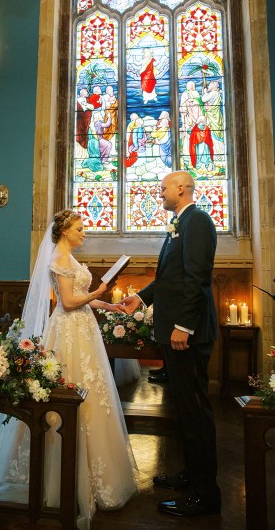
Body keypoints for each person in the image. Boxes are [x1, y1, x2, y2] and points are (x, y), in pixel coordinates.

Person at [0, 209, 138, 529]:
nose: (84, 232)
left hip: (84, 331)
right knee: (66, 392)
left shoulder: (71, 258)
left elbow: (83, 299)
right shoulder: (58, 258)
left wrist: (108, 304)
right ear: (64, 231)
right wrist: (99, 292)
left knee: (95, 396)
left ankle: (98, 471)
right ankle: (57, 471)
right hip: (68, 332)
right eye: (80, 228)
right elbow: (69, 302)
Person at [120, 171, 221, 517]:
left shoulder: (198, 221)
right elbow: (170, 277)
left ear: (181, 189)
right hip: (178, 331)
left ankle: (205, 495)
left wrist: (183, 326)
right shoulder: (180, 223)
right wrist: (142, 298)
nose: (158, 193)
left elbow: (197, 277)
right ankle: (191, 475)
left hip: (186, 335)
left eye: (163, 188)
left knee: (195, 410)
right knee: (183, 408)